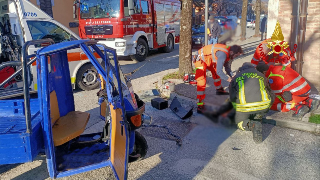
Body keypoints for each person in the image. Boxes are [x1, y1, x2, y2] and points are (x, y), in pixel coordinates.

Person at [229, 62, 274, 143]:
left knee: (238, 123)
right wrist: (269, 106)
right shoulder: (261, 75)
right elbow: (270, 92)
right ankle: (258, 116)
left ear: (241, 69)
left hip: (245, 108)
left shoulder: (236, 77)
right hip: (263, 106)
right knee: (257, 111)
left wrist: (236, 111)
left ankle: (251, 125)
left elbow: (232, 96)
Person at [193, 43, 243, 113]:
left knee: (216, 73)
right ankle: (200, 105)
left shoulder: (229, 53)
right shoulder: (223, 54)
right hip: (200, 59)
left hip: (208, 59)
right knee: (201, 81)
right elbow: (220, 71)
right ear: (232, 52)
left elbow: (227, 67)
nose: (235, 57)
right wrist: (228, 79)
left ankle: (219, 90)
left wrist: (232, 76)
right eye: (236, 55)